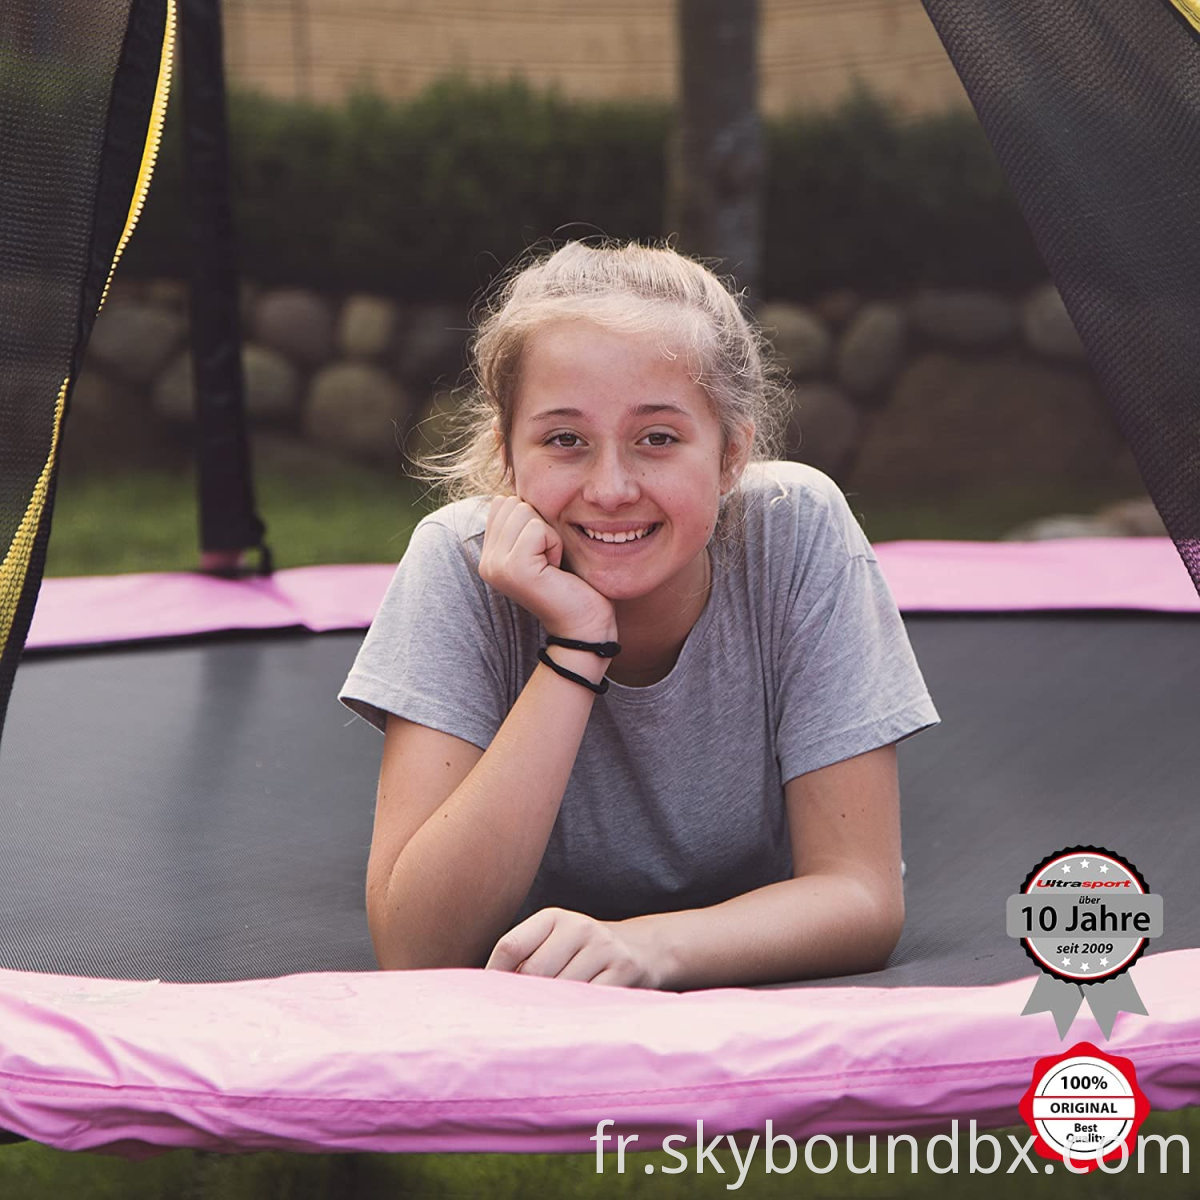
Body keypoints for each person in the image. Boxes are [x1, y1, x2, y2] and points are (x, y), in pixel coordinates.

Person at [338, 240, 938, 990]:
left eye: (657, 438)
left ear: (729, 457)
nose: (612, 487)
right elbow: (417, 946)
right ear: (507, 459)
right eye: (565, 440)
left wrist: (648, 948)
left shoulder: (796, 530)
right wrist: (577, 645)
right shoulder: (457, 566)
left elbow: (861, 895)